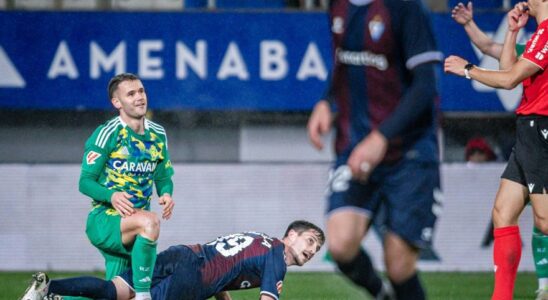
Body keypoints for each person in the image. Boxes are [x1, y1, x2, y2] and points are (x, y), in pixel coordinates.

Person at [307, 0, 442, 299]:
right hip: (355, 148)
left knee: (399, 265)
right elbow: (342, 65)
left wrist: (381, 137)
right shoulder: (338, 6)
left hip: (410, 152)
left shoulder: (406, 8)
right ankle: (382, 295)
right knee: (341, 245)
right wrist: (327, 103)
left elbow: (425, 86)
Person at [445, 1, 548, 299]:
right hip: (527, 131)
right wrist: (514, 32)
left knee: (543, 221)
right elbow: (507, 69)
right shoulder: (537, 34)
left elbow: (507, 80)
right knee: (503, 213)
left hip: (541, 131)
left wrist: (468, 70)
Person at [20, 220, 325, 300]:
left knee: (114, 291)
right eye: (310, 240)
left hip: (182, 255)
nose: (311, 250)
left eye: (317, 249)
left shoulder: (261, 241)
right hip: (193, 277)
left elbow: (225, 265)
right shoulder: (278, 257)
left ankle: (46, 288)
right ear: (290, 236)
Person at [79, 73, 175, 300]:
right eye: (130, 94)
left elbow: (162, 176)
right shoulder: (107, 133)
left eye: (141, 91)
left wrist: (166, 193)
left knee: (116, 295)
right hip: (105, 219)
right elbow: (84, 182)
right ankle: (145, 297)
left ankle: (52, 296)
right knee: (150, 221)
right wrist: (111, 196)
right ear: (117, 102)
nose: (139, 97)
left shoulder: (158, 134)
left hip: (132, 227)